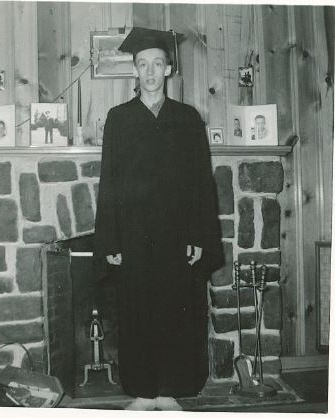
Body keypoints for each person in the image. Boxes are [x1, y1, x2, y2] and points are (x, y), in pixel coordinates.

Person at [94, 27, 223, 411]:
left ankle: (168, 391)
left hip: (176, 236)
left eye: (157, 64)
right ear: (135, 69)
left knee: (175, 313)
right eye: (142, 64)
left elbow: (201, 184)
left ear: (168, 69)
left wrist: (198, 235)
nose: (150, 71)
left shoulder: (187, 119)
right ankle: (143, 393)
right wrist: (111, 240)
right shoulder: (119, 119)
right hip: (133, 237)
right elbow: (109, 183)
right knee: (137, 314)